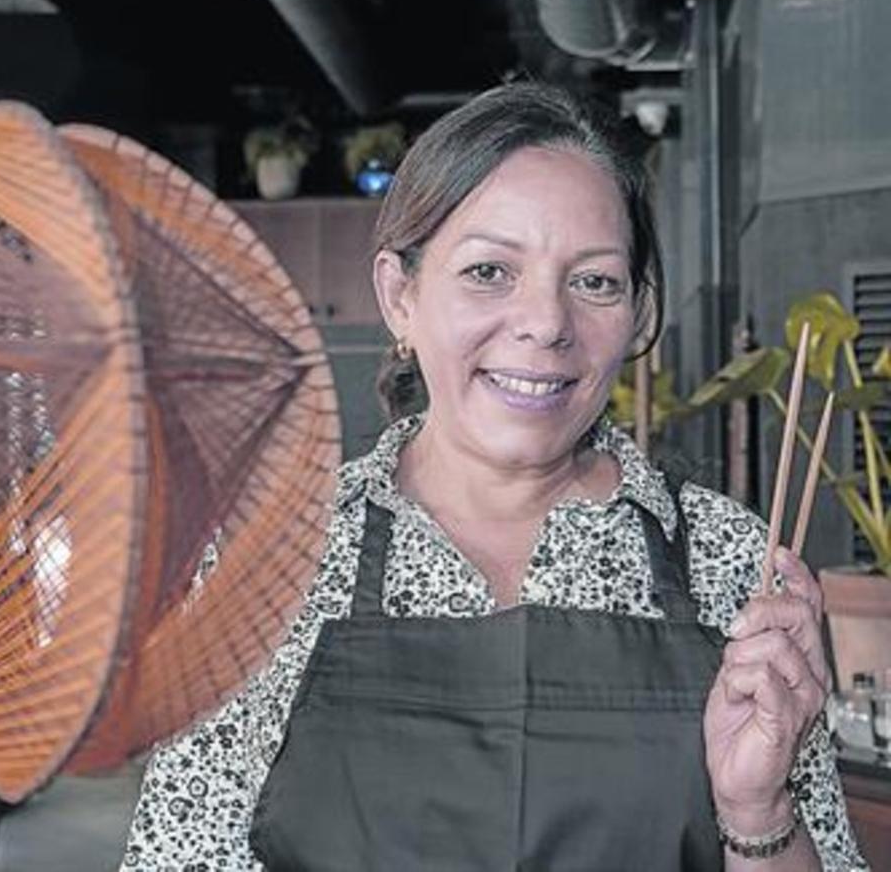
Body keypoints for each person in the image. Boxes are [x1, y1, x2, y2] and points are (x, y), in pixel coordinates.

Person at [120, 82, 868, 870]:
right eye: (488, 271)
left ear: (639, 312)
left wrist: (757, 811)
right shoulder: (271, 560)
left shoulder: (729, 561)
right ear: (399, 296)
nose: (546, 322)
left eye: (595, 280)